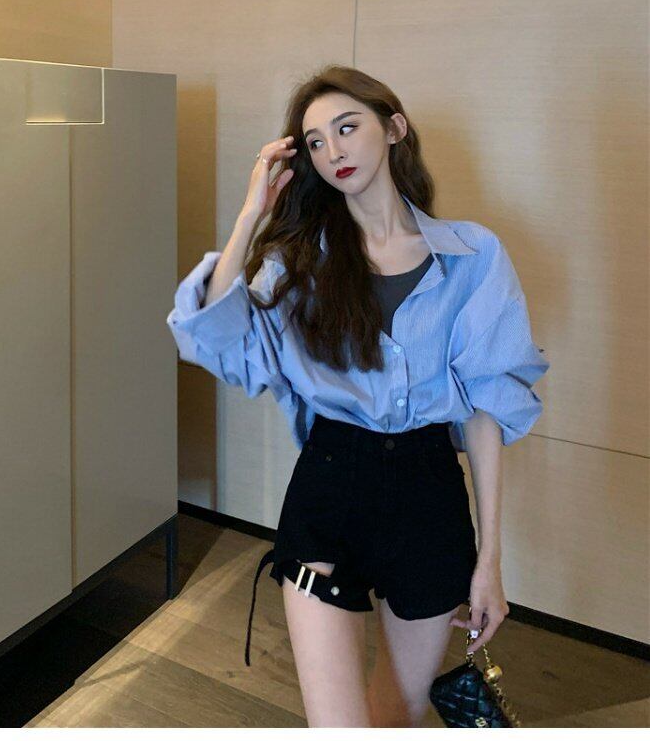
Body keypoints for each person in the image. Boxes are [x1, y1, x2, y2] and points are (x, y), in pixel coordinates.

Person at [166, 64, 550, 728]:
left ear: (394, 128)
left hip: (429, 497)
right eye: (316, 141)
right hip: (330, 487)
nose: (333, 151)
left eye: (347, 127)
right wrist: (252, 213)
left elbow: (486, 410)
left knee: (397, 712)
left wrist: (490, 561)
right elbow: (219, 341)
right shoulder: (299, 262)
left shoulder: (474, 256)